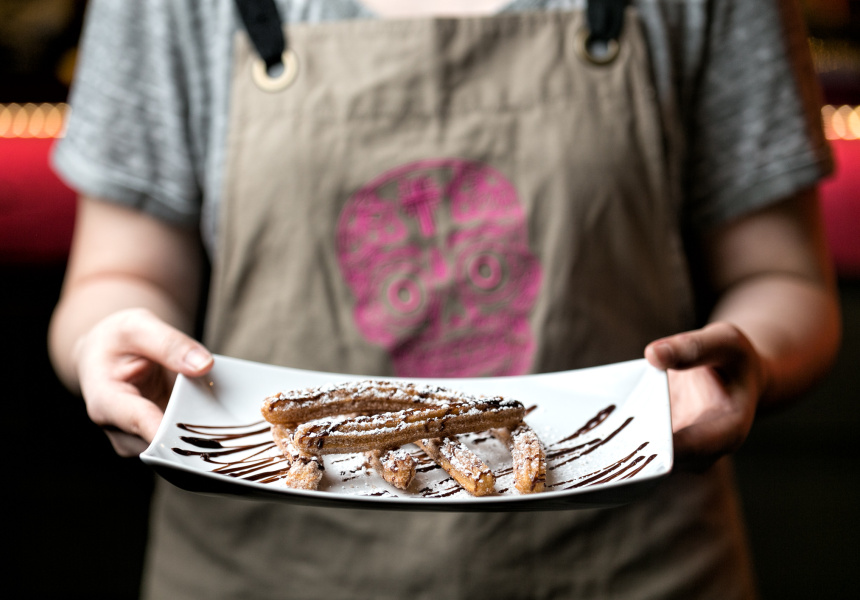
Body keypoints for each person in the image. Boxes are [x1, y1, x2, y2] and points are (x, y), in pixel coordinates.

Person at [49, 0, 840, 598]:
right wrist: (103, 346)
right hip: (257, 569)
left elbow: (787, 280)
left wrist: (755, 359)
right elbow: (116, 276)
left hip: (632, 566)